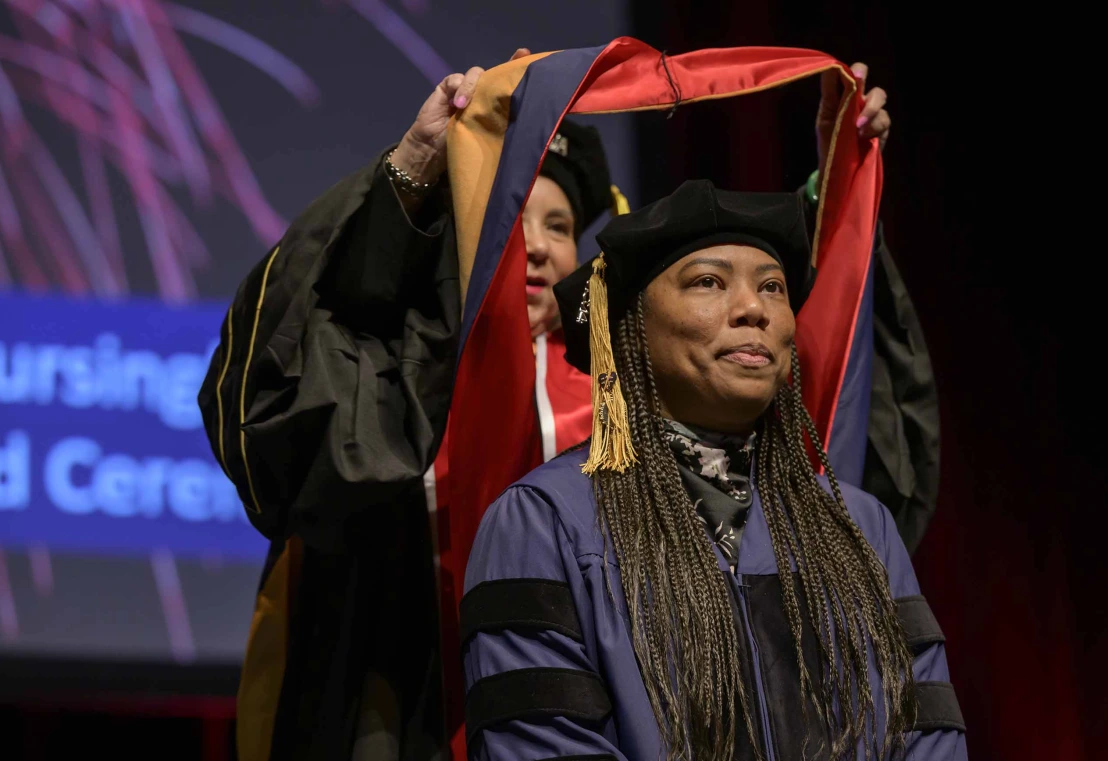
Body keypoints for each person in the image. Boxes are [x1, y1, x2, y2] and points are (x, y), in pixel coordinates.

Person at [198, 45, 925, 760]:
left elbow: (825, 441)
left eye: (560, 227)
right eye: (516, 221)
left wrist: (832, 206)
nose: (539, 248)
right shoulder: (402, 381)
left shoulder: (643, 402)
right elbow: (285, 407)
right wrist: (413, 171)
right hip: (407, 712)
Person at [460, 181, 966, 760]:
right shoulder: (545, 523)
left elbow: (927, 735)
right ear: (632, 330)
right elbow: (541, 743)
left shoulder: (858, 525)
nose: (754, 308)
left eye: (772, 287)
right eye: (708, 282)